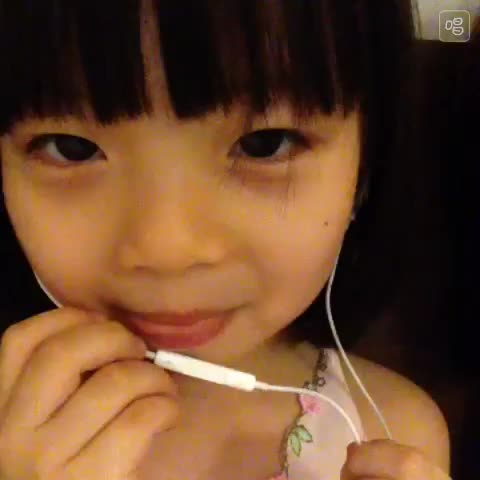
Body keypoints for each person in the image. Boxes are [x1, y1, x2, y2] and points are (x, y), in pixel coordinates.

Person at [0, 1, 449, 479]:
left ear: (364, 169)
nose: (167, 251)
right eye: (72, 149)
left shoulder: (393, 432)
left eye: (265, 144)